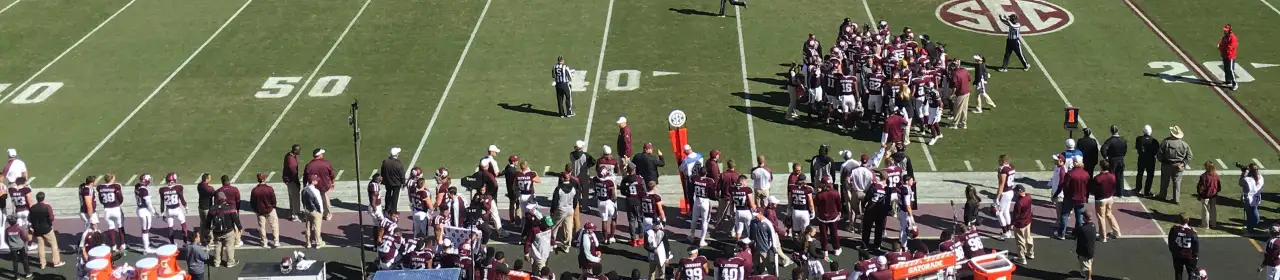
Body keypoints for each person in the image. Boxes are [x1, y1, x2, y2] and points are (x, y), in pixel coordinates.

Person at [1054, 157, 1089, 240]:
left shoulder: (1070, 174)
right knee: (1079, 217)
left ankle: (1061, 234)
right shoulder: (1086, 174)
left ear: (1074, 162)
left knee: (1065, 215)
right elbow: (1088, 187)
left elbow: (1065, 186)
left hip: (1070, 198)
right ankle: (1078, 234)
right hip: (1081, 198)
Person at [1158, 126, 1193, 203]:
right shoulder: (1184, 145)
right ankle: (1176, 199)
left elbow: (1159, 154)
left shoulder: (1166, 143)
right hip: (1179, 166)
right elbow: (1189, 155)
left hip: (1167, 165)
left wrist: (1162, 161)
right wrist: (1183, 163)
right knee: (1177, 182)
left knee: (1164, 181)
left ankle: (1162, 195)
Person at [206, 192, 241, 267]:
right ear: (224, 199)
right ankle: (230, 262)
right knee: (229, 246)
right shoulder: (229, 208)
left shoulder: (212, 209)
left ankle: (217, 262)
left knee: (217, 246)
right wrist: (240, 227)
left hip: (217, 232)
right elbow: (235, 218)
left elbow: (208, 221)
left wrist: (208, 230)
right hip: (228, 231)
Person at [1090, 162, 1121, 242]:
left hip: (1100, 200)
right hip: (1110, 198)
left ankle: (1103, 237)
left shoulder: (1098, 178)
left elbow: (1093, 190)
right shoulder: (1112, 176)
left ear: (1101, 167)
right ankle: (1116, 231)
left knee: (1101, 217)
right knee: (1109, 214)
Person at [861, 171, 892, 252]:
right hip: (881, 211)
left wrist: (863, 205)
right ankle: (877, 245)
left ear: (880, 177)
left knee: (867, 228)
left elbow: (868, 196)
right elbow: (888, 201)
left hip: (871, 209)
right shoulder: (888, 189)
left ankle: (865, 245)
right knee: (879, 228)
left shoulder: (874, 185)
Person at [28, 192, 60, 268]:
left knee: (40, 246)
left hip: (37, 229)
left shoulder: (33, 207)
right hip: (46, 228)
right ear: (43, 198)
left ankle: (42, 263)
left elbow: (29, 218)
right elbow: (51, 218)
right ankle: (56, 261)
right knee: (54, 244)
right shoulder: (47, 207)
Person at [550, 166, 578, 250]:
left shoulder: (559, 188)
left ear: (562, 178)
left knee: (554, 227)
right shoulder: (573, 188)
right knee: (569, 228)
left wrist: (552, 210)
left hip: (561, 209)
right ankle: (567, 246)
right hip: (570, 209)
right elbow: (575, 200)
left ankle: (552, 243)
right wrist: (572, 208)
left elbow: (555, 201)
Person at [304, 148, 336, 220]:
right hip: (324, 185)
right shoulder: (326, 163)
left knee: (314, 200)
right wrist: (332, 182)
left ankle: (316, 214)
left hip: (313, 186)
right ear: (319, 155)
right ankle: (327, 214)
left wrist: (305, 186)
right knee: (325, 198)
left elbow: (305, 176)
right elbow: (332, 174)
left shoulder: (309, 165)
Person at [97, 174, 125, 254]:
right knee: (120, 227)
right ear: (111, 179)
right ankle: (123, 245)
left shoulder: (100, 187)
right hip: (116, 209)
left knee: (111, 227)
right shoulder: (116, 186)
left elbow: (101, 199)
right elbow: (120, 197)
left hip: (107, 210)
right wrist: (118, 203)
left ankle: (113, 246)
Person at [250, 173, 279, 248]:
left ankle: (264, 242)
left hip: (260, 211)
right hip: (270, 209)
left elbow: (252, 202)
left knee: (262, 227)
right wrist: (274, 206)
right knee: (274, 225)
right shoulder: (269, 189)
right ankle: (276, 241)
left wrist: (256, 210)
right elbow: (273, 199)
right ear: (264, 179)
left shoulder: (255, 190)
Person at [215, 175, 244, 247]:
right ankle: (237, 241)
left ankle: (225, 241)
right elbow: (238, 200)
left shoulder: (219, 190)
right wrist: (237, 209)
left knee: (225, 224)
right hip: (233, 209)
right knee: (235, 225)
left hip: (223, 210)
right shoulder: (235, 189)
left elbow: (216, 202)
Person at [1169, 214, 1199, 280]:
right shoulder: (1192, 232)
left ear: (1179, 220)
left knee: (1178, 273)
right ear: (1188, 220)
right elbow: (1195, 244)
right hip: (1189, 256)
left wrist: (1173, 251)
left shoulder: (1174, 230)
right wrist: (1195, 256)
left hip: (1178, 255)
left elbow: (1170, 241)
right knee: (1191, 273)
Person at [132, 175, 157, 253]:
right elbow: (148, 204)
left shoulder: (137, 186)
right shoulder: (144, 190)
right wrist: (154, 212)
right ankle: (146, 248)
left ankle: (146, 244)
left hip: (139, 209)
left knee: (144, 228)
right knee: (145, 230)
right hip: (144, 211)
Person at [1101, 125, 1129, 197]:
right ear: (1117, 131)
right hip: (1121, 159)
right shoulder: (1123, 140)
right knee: (1120, 176)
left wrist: (1106, 157)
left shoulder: (1110, 140)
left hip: (1113, 160)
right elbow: (1125, 149)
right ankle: (1120, 192)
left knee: (1112, 176)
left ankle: (1111, 191)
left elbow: (1103, 149)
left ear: (1111, 132)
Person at [994, 155, 1016, 240]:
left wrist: (997, 197)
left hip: (1005, 193)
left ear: (1003, 161)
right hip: (1010, 191)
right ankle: (1009, 231)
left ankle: (1005, 232)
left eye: (999, 160)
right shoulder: (1011, 167)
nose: (998, 162)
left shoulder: (1004, 170)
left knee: (999, 213)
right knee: (1006, 211)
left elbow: (1001, 184)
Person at [1135, 125, 1160, 197]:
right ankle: (1147, 191)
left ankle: (1138, 189)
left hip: (1141, 159)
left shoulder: (1139, 139)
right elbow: (1156, 152)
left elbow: (1138, 149)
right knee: (1150, 176)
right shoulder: (1154, 141)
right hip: (1151, 160)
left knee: (1140, 174)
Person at [1011, 185, 1034, 264]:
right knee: (1028, 237)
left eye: (1016, 191)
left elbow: (1016, 216)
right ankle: (1030, 253)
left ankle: (1021, 258)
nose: (1015, 193)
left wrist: (1012, 224)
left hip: (1020, 224)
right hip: (1028, 221)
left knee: (1020, 241)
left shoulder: (1019, 203)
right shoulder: (1029, 197)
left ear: (1019, 191)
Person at [380, 146, 406, 216]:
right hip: (396, 183)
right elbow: (402, 174)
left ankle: (387, 209)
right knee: (395, 197)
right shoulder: (398, 164)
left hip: (388, 182)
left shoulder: (385, 162)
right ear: (396, 155)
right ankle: (393, 211)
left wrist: (383, 180)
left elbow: (382, 172)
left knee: (388, 195)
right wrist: (403, 183)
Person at [301, 175, 325, 248]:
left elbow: (302, 200)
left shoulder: (304, 190)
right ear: (312, 181)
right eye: (316, 180)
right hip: (315, 211)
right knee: (317, 227)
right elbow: (318, 202)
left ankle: (308, 242)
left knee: (308, 226)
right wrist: (321, 211)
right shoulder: (316, 191)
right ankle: (318, 242)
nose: (317, 181)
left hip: (307, 210)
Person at [1242, 162, 1265, 233]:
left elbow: (1241, 182)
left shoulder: (1248, 179)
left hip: (1249, 198)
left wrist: (1244, 173)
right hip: (1257, 196)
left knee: (1250, 213)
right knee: (1253, 210)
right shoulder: (1260, 177)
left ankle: (1251, 226)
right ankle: (1250, 227)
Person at [1196, 161, 1220, 229]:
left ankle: (1205, 225)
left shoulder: (1203, 176)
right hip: (1213, 195)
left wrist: (1199, 194)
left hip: (1205, 196)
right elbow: (1219, 186)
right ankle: (1214, 224)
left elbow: (1200, 187)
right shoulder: (1216, 175)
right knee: (1213, 210)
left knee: (1206, 211)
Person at [948, 60, 971, 129]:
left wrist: (952, 94)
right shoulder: (965, 70)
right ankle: (963, 124)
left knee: (957, 109)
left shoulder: (955, 74)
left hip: (960, 93)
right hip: (967, 92)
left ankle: (955, 124)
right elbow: (969, 79)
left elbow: (954, 86)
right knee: (964, 109)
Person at [282, 144, 302, 221]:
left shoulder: (288, 155)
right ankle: (295, 215)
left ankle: (292, 212)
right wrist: (297, 182)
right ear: (295, 150)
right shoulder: (292, 161)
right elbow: (293, 172)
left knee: (291, 197)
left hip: (288, 180)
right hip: (292, 181)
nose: (300, 151)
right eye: (299, 150)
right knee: (295, 198)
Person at [1074, 214, 1096, 280]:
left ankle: (1088, 278)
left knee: (1087, 267)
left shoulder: (1082, 229)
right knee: (1089, 264)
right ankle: (1087, 276)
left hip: (1084, 252)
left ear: (1085, 218)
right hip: (1091, 250)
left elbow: (1074, 233)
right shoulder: (1093, 226)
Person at [1218, 24, 1239, 90]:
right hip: (1225, 55)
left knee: (1230, 69)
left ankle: (1235, 83)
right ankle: (1228, 81)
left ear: (1230, 30)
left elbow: (1229, 48)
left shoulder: (1232, 38)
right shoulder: (1225, 37)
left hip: (1230, 56)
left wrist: (1222, 48)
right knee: (1226, 69)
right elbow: (1222, 44)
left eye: (1226, 30)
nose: (1225, 31)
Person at [196, 173, 215, 241]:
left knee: (202, 222)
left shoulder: (199, 185)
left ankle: (201, 238)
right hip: (207, 208)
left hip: (201, 206)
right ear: (206, 179)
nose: (210, 179)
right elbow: (214, 193)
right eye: (209, 178)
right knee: (208, 224)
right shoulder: (209, 188)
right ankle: (210, 239)